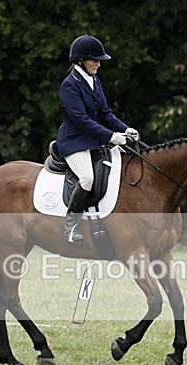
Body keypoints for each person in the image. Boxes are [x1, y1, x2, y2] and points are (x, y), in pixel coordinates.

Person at [56, 34, 138, 244]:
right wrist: (111, 136)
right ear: (81, 60)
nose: (98, 64)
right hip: (74, 142)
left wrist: (125, 129)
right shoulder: (69, 85)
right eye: (94, 60)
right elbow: (81, 120)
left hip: (93, 141)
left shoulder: (94, 81)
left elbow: (105, 114)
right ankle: (70, 227)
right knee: (87, 178)